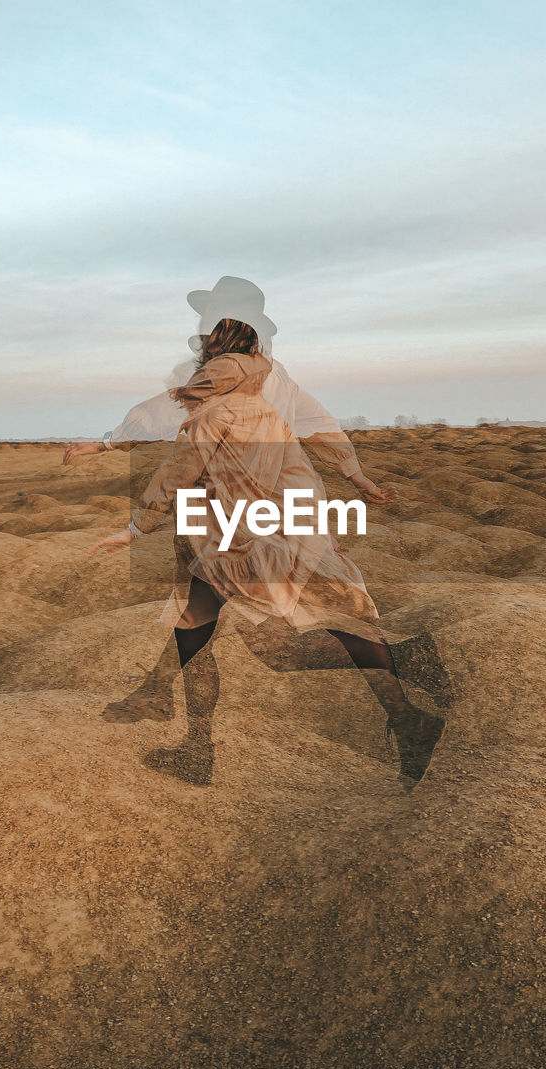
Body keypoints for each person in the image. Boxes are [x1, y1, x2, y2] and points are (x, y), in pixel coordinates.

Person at [86, 316, 445, 789]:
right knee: (198, 638)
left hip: (225, 543)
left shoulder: (214, 415)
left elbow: (178, 472)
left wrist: (134, 529)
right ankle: (195, 745)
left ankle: (404, 668)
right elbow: (299, 475)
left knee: (265, 648)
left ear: (213, 363)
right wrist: (314, 525)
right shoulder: (265, 411)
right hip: (242, 537)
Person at [62, 276, 393, 508]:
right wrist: (358, 478)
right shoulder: (274, 372)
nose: (201, 323)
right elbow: (321, 424)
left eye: (209, 317)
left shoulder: (226, 377)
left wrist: (104, 443)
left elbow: (161, 413)